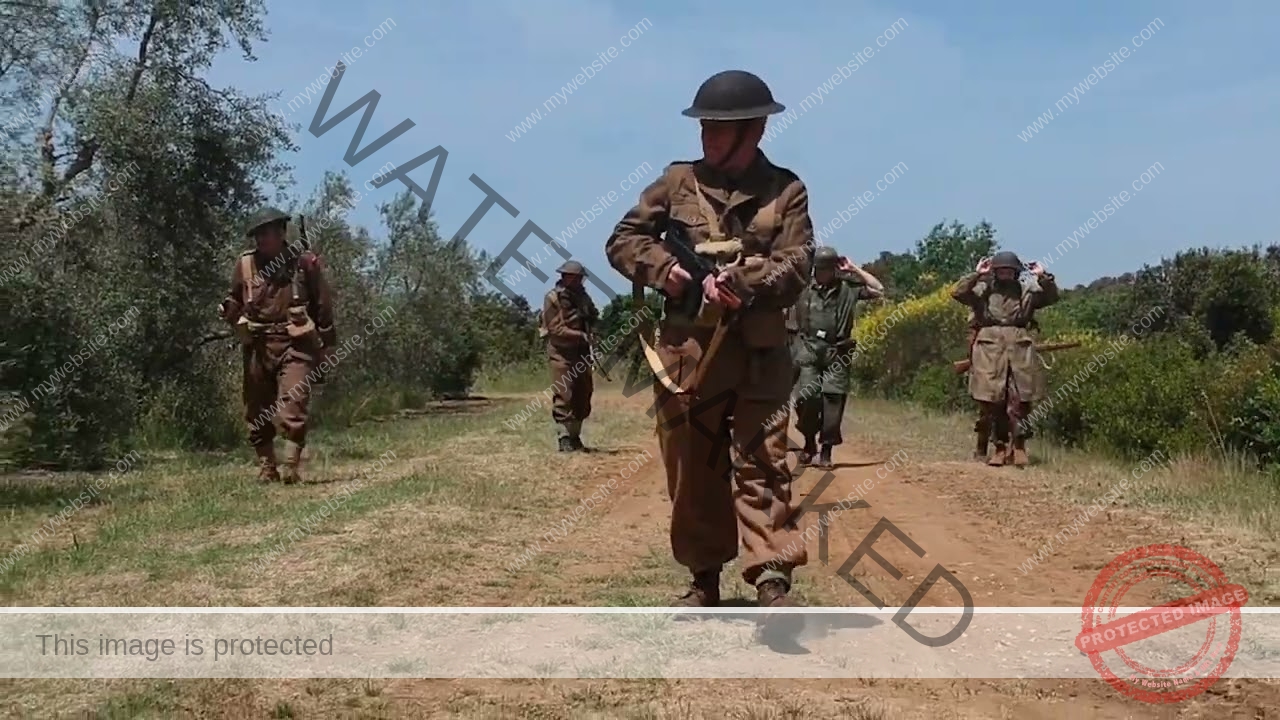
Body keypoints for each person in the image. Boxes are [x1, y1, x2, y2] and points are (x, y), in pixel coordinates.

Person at [605, 69, 815, 612]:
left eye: (720, 129)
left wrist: (742, 283)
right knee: (693, 466)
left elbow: (797, 264)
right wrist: (665, 268)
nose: (708, 138)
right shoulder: (676, 183)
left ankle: (772, 578)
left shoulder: (786, 190)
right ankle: (703, 579)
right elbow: (623, 240)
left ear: (755, 131)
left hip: (760, 355)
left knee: (763, 461)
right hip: (687, 355)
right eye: (705, 128)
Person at [218, 208, 337, 484]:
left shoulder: (304, 263)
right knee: (256, 409)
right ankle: (266, 467)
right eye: (257, 234)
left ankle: (290, 467)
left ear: (282, 233)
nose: (261, 239)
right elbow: (236, 297)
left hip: (296, 343)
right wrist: (228, 309)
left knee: (293, 404)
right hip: (258, 344)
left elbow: (322, 306)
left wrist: (327, 346)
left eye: (267, 233)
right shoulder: (245, 265)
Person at [950, 251, 1058, 467]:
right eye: (1001, 270)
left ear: (1016, 272)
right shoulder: (983, 289)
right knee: (993, 401)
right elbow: (959, 292)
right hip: (990, 346)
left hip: (1019, 345)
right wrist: (977, 274)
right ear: (995, 271)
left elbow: (1052, 297)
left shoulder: (1027, 290)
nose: (1006, 273)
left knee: (1020, 400)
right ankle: (999, 447)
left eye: (1010, 270)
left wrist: (1043, 276)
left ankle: (1018, 446)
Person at [788, 247, 883, 469]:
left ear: (834, 269)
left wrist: (854, 269)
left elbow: (878, 289)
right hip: (809, 349)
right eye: (818, 269)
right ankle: (809, 442)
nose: (821, 273)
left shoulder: (848, 289)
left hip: (837, 352)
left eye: (826, 269)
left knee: (833, 402)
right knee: (807, 397)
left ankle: (826, 451)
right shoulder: (803, 288)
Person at [540, 260, 598, 452]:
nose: (580, 281)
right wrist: (582, 335)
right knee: (564, 394)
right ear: (566, 277)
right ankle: (564, 437)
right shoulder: (553, 298)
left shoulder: (583, 297)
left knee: (583, 392)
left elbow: (593, 315)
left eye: (581, 277)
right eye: (577, 277)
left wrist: (591, 327)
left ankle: (575, 437)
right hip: (561, 352)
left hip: (581, 353)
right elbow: (555, 329)